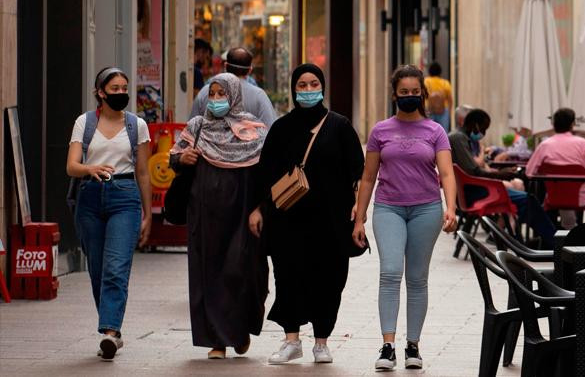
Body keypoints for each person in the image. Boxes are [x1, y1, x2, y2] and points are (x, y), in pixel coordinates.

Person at [251, 64, 365, 365]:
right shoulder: (281, 128)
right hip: (287, 220)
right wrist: (257, 209)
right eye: (302, 85)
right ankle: (291, 341)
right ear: (293, 89)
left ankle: (321, 342)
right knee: (288, 277)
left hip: (330, 221)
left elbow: (358, 171)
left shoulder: (339, 126)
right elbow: (264, 174)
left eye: (314, 84)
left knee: (329, 279)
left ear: (323, 87)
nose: (308, 90)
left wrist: (358, 209)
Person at [353, 65, 458, 371]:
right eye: (404, 92)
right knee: (389, 272)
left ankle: (413, 345)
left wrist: (450, 207)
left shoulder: (435, 131)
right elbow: (368, 176)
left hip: (426, 209)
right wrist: (360, 218)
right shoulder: (380, 131)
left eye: (415, 92)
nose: (409, 97)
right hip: (388, 208)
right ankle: (388, 346)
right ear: (394, 95)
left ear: (422, 94)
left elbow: (447, 172)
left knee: (416, 278)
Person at [170, 73, 270, 359]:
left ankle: (240, 329)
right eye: (211, 94)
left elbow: (265, 174)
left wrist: (259, 209)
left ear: (234, 95)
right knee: (208, 275)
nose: (215, 99)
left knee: (240, 272)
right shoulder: (197, 127)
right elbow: (174, 157)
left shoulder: (254, 130)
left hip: (241, 214)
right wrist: (182, 159)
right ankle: (218, 341)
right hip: (204, 214)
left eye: (221, 93)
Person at [66, 67, 152, 361]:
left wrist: (148, 214)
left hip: (125, 198)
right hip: (89, 197)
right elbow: (71, 166)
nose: (120, 93)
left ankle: (111, 333)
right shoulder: (85, 122)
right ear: (100, 93)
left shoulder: (137, 125)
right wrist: (91, 168)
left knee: (116, 266)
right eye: (114, 89)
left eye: (124, 88)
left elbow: (143, 171)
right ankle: (110, 327)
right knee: (98, 269)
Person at [449, 108, 558, 245]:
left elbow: (476, 170)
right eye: (483, 128)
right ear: (475, 124)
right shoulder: (458, 138)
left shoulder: (464, 138)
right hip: (476, 193)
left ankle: (544, 239)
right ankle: (552, 242)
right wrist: (503, 175)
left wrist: (502, 173)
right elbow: (474, 172)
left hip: (477, 189)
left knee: (529, 200)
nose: (484, 133)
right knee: (528, 200)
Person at [525, 108, 585, 228]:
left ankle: (569, 229)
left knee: (564, 191)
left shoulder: (545, 145)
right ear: (572, 124)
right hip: (581, 197)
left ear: (553, 124)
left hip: (555, 196)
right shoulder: (581, 143)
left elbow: (529, 172)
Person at [190, 47, 277, 126]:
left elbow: (192, 127)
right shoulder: (259, 96)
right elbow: (270, 130)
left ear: (225, 66)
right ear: (249, 70)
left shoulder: (206, 91)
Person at [424, 62, 453, 132]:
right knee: (443, 132)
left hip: (429, 109)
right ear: (440, 72)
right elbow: (450, 99)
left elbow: (423, 96)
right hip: (443, 110)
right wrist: (449, 111)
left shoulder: (426, 81)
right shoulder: (445, 83)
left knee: (429, 132)